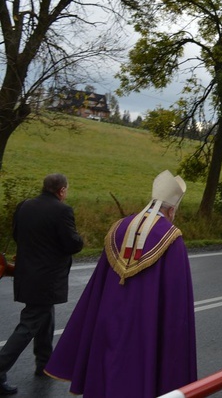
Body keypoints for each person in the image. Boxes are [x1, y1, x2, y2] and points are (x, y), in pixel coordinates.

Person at [44, 170, 195, 397]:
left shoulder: (119, 227)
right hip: (146, 330)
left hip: (108, 321)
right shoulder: (172, 238)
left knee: (105, 375)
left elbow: (98, 286)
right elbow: (176, 305)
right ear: (172, 209)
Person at [0, 174, 83, 396]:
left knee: (45, 316)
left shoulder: (24, 206)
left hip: (27, 274)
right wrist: (80, 239)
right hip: (47, 277)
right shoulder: (62, 211)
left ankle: (44, 363)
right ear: (62, 190)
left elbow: (18, 235)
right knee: (30, 323)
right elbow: (72, 244)